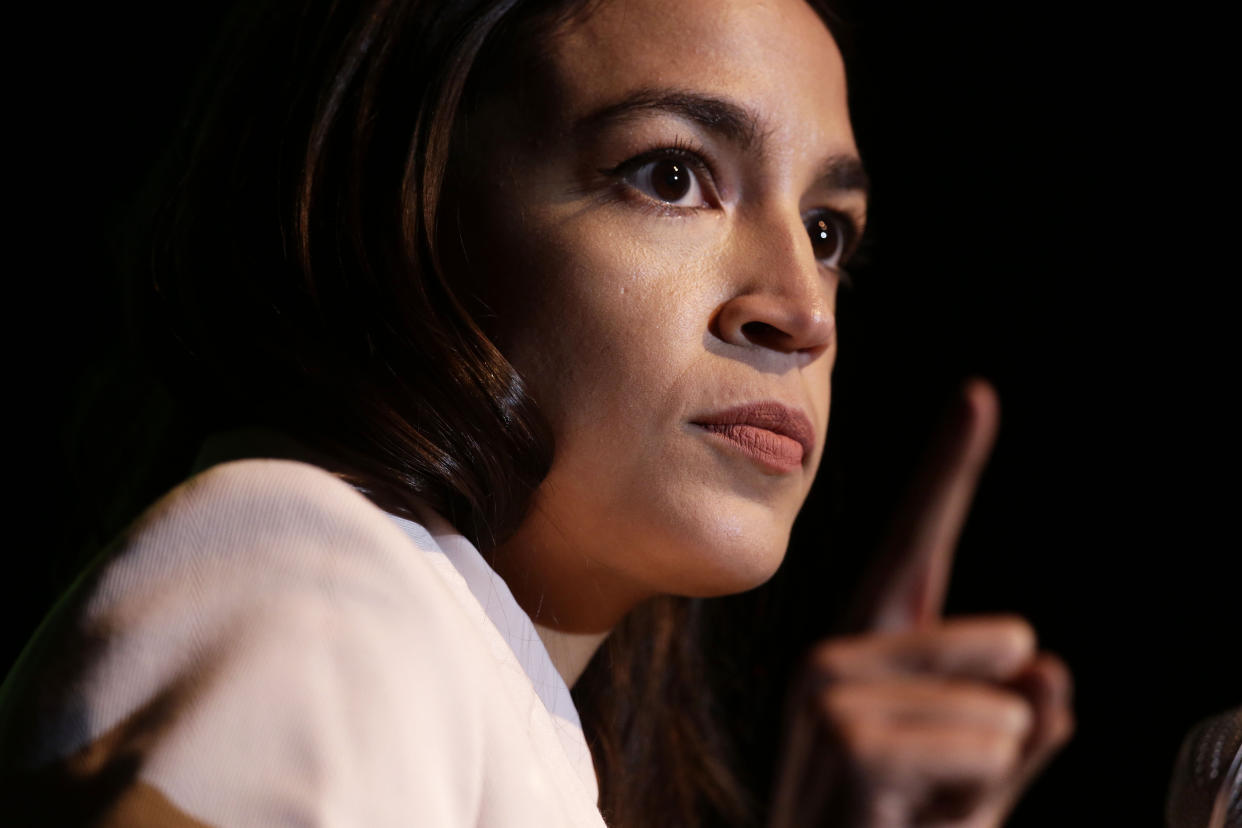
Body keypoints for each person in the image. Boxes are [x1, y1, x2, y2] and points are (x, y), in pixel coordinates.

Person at [0, 0, 1074, 824]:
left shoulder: (495, 707)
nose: (800, 311)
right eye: (670, 174)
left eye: (830, 233)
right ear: (403, 209)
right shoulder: (319, 576)